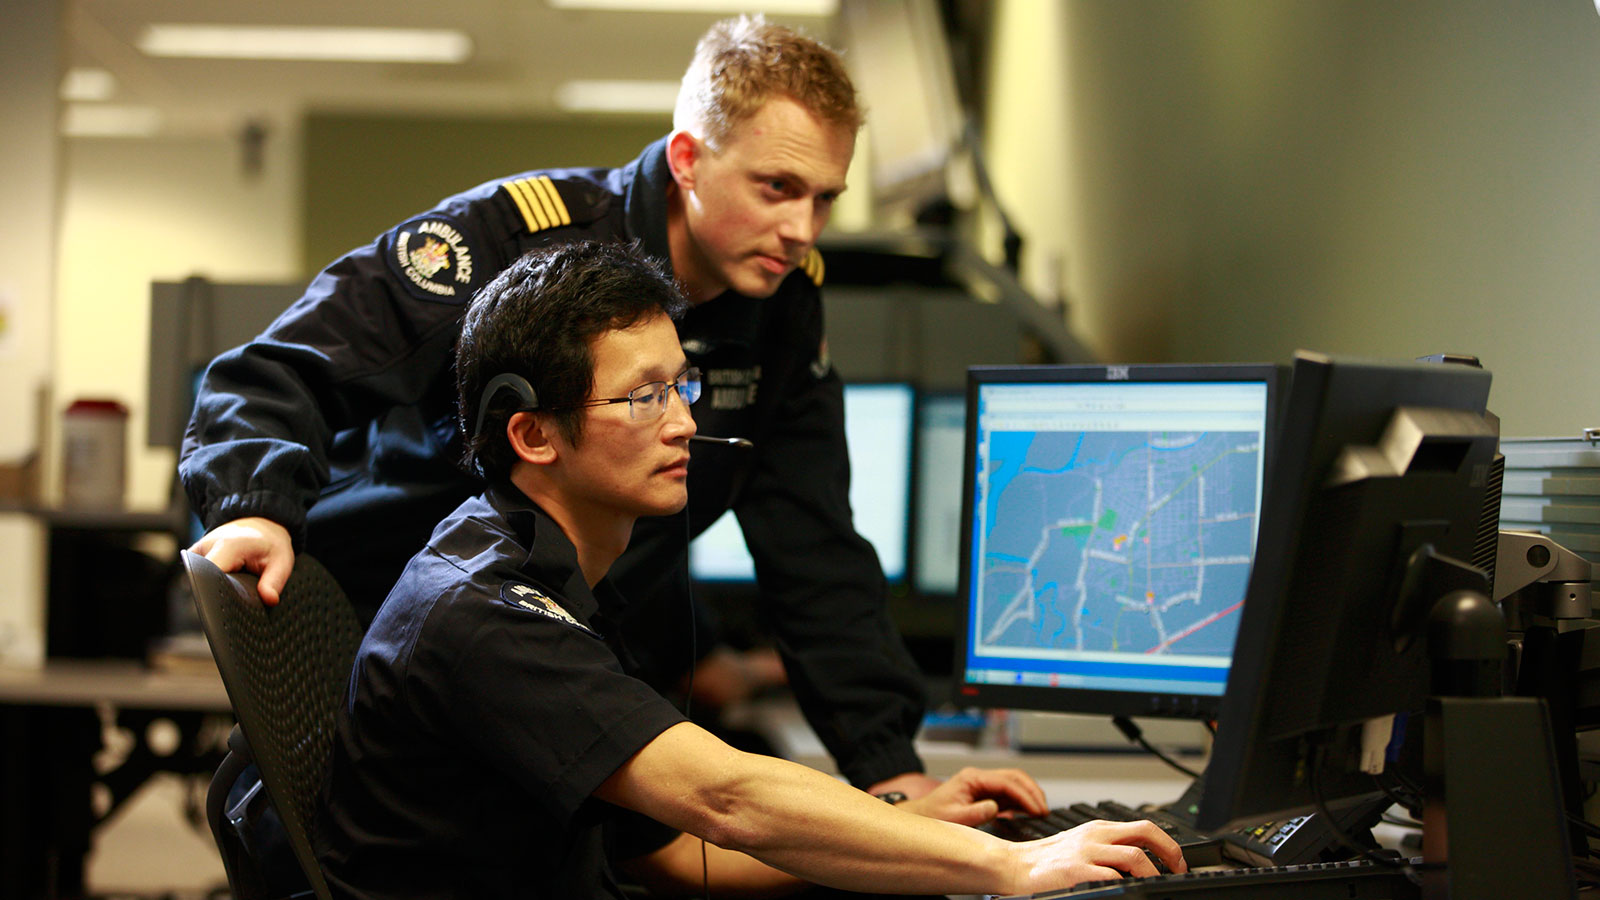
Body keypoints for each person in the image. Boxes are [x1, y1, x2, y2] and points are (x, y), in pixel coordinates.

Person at [184, 14, 931, 799]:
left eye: (824, 200)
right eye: (776, 188)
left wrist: (892, 769)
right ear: (687, 160)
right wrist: (254, 508)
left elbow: (817, 552)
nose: (800, 230)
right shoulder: (521, 242)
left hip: (557, 653)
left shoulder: (779, 304)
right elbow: (270, 374)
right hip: (397, 633)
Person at [316, 241, 1185, 899]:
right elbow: (724, 800)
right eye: (642, 396)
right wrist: (1012, 863)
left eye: (682, 387)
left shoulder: (543, 570)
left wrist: (901, 822)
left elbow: (666, 853)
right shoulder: (489, 614)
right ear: (533, 434)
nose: (684, 423)